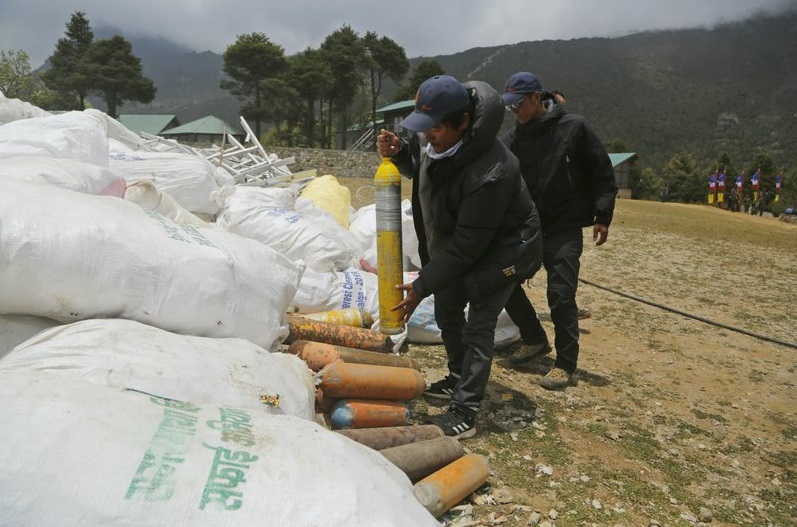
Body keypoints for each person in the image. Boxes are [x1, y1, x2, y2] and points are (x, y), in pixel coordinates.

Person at [377, 75, 542, 438]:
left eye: (433, 128)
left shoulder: (492, 171)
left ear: (464, 122)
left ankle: (465, 410)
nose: (427, 136)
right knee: (447, 309)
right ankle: (456, 375)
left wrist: (421, 284)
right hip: (462, 243)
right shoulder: (436, 141)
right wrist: (402, 153)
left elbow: (470, 245)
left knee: (481, 321)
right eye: (422, 128)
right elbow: (422, 166)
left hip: (503, 249)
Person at [499, 71, 618, 390]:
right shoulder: (512, 139)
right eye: (509, 107)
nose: (514, 112)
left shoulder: (574, 128)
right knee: (504, 279)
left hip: (564, 227)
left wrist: (603, 215)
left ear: (537, 99)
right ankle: (534, 339)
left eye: (518, 105)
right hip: (528, 228)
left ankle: (565, 364)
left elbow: (602, 172)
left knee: (561, 296)